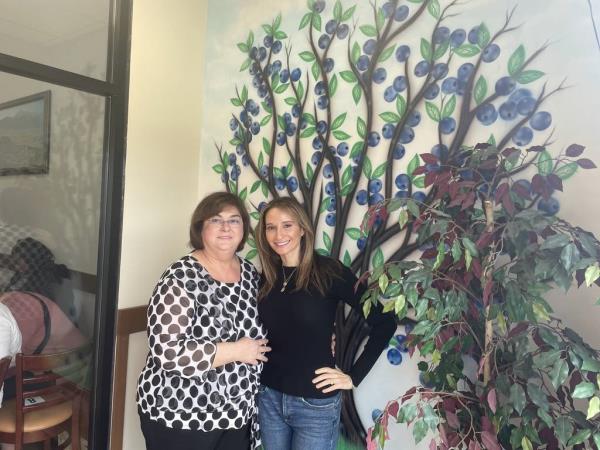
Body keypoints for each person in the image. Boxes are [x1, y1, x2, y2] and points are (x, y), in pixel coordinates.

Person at [255, 197, 397, 450]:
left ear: (302, 229)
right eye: (271, 227)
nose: (278, 234)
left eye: (287, 225)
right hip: (269, 397)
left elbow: (384, 322)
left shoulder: (329, 272)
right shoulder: (267, 275)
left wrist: (354, 376)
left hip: (314, 405)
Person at [136, 192, 269, 450]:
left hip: (236, 415)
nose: (226, 228)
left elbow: (269, 323)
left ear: (243, 228)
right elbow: (168, 352)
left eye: (234, 220)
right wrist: (236, 351)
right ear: (200, 228)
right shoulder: (180, 277)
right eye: (216, 220)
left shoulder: (250, 274)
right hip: (182, 414)